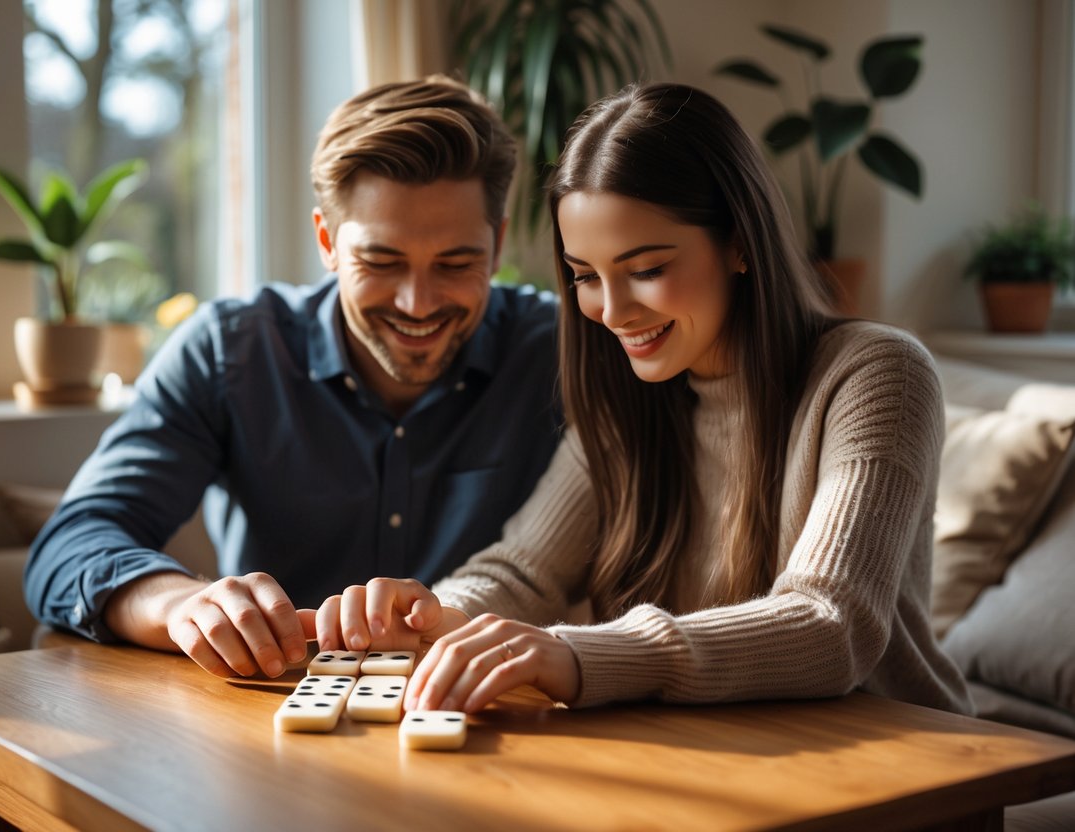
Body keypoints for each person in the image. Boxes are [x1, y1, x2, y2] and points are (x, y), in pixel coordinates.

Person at [313, 83, 973, 718]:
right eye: (585, 277)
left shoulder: (875, 374)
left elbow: (831, 624)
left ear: (738, 241)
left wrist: (574, 654)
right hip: (730, 755)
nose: (613, 310)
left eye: (647, 269)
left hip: (905, 763)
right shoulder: (628, 395)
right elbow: (522, 573)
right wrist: (434, 616)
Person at [24, 76, 563, 680]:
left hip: (489, 726)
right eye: (380, 261)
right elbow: (69, 545)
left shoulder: (561, 353)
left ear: (498, 245)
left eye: (456, 263)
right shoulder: (231, 351)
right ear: (328, 241)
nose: (418, 302)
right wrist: (180, 605)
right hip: (268, 720)